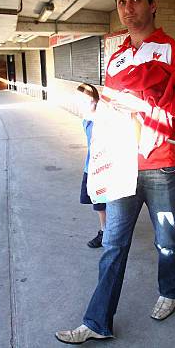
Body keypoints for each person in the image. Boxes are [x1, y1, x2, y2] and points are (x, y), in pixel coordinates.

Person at [55, 0, 175, 344]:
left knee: (167, 237)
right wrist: (96, 108)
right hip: (123, 165)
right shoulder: (117, 58)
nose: (127, 8)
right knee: (113, 243)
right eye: (121, 2)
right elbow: (111, 110)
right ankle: (96, 322)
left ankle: (170, 289)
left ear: (152, 3)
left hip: (163, 165)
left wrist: (164, 106)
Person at [76, 83, 107, 248]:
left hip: (104, 168)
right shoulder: (86, 120)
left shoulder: (104, 120)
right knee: (98, 203)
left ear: (95, 100)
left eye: (85, 100)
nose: (80, 104)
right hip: (91, 166)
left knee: (103, 202)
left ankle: (106, 233)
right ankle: (106, 231)